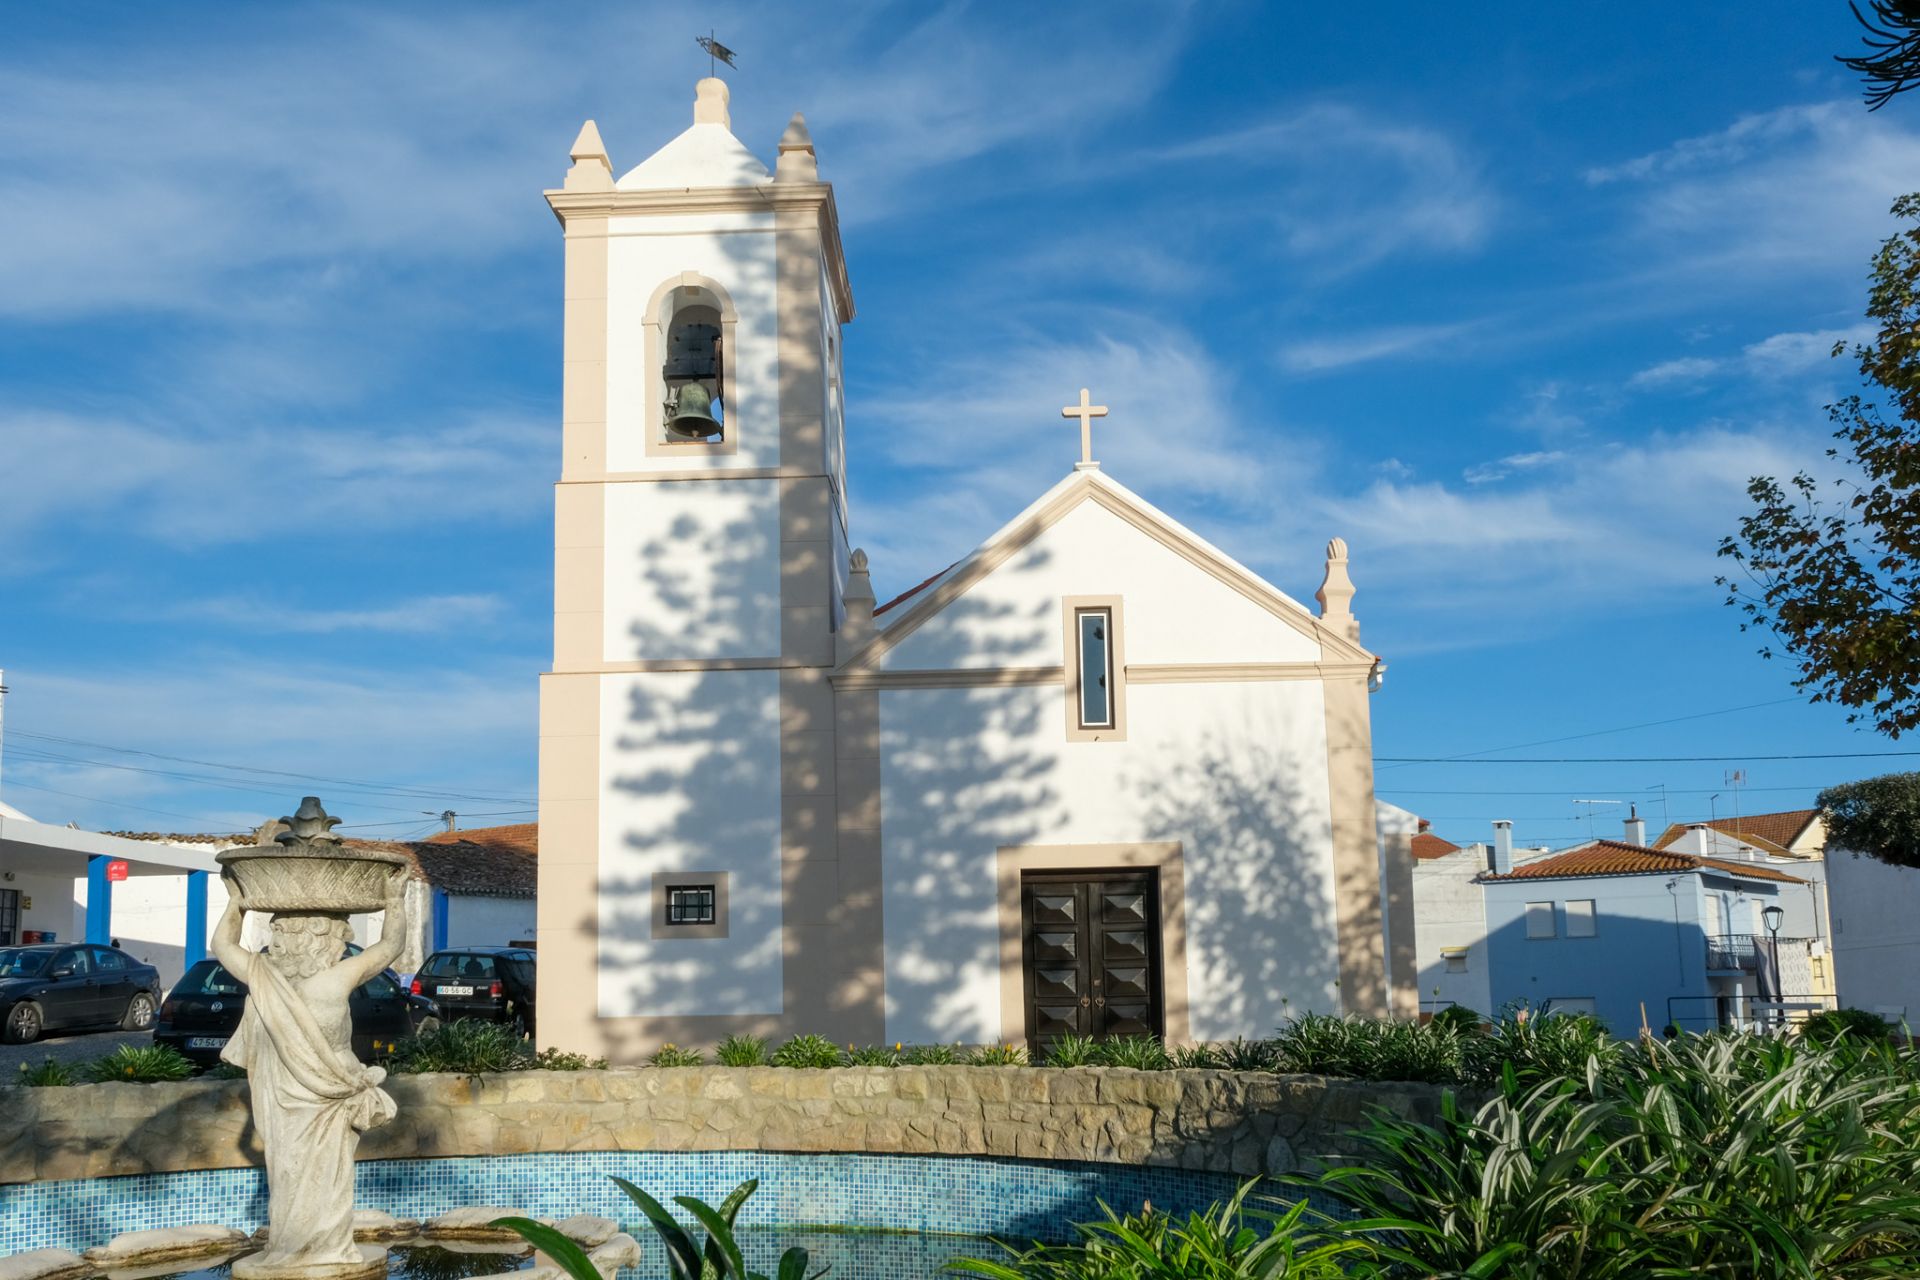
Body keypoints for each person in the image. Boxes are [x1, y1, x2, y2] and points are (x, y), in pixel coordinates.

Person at [210, 872, 408, 1278]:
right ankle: (327, 1249)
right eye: (339, 939)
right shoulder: (337, 979)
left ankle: (291, 1247)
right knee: (328, 1178)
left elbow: (222, 945)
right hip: (329, 1099)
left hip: (287, 1102)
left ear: (282, 941)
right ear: (330, 942)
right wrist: (393, 900)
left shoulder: (263, 977)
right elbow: (390, 946)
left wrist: (238, 902)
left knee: (288, 1175)